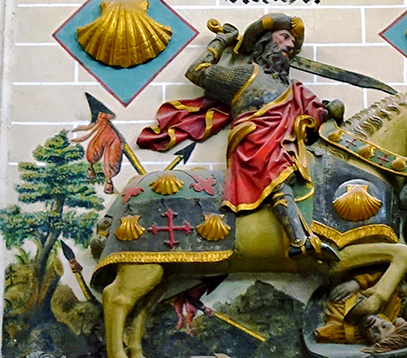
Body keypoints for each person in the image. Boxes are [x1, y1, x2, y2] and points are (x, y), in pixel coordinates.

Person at [139, 14, 344, 263]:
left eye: (294, 43)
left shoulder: (294, 88)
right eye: (285, 37)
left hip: (288, 146)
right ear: (266, 41)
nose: (290, 46)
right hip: (254, 146)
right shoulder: (245, 76)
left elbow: (317, 116)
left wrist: (332, 110)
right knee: (278, 170)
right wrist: (221, 41)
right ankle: (298, 240)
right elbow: (197, 72)